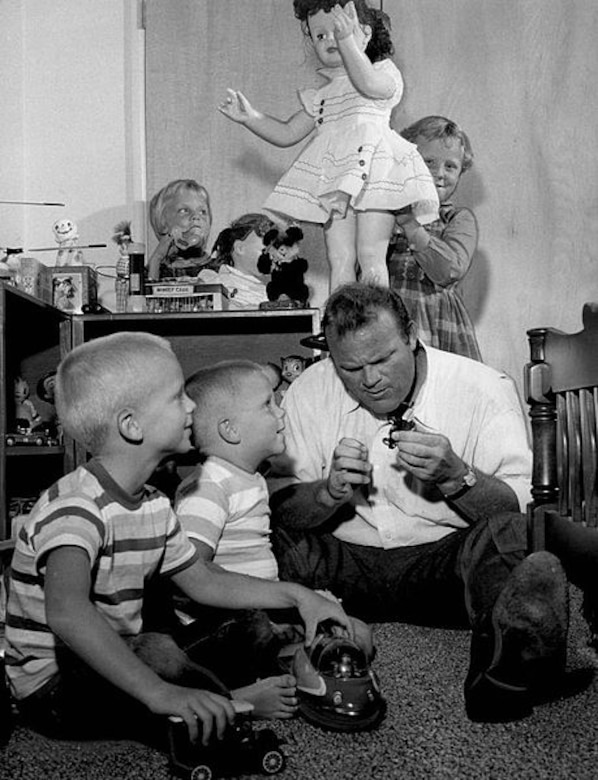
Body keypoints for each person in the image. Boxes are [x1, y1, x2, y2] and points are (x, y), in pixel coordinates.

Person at [267, 282, 598, 723]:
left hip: (444, 573)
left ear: (411, 335)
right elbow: (282, 502)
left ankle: (499, 674)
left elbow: (517, 508)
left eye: (383, 359)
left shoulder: (482, 386)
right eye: (350, 367)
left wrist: (456, 477)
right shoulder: (310, 388)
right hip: (342, 569)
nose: (369, 380)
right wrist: (325, 494)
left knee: (512, 538)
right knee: (263, 525)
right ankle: (260, 644)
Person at [4, 332, 354, 747]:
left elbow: (203, 580)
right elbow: (67, 613)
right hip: (55, 684)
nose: (191, 405)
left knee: (247, 623)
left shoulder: (153, 503)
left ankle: (200, 695)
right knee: (157, 652)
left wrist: (299, 596)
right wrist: (159, 692)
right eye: (176, 398)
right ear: (131, 426)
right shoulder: (76, 507)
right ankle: (223, 702)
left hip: (120, 651)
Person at [174, 359, 374, 719]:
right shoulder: (207, 488)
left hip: (265, 612)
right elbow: (190, 574)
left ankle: (293, 667)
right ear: (231, 430)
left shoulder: (250, 479)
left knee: (356, 633)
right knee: (252, 629)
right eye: (268, 404)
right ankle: (236, 698)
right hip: (223, 625)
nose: (281, 411)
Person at [219, 0, 438, 293]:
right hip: (337, 180)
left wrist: (347, 42)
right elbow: (287, 133)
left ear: (366, 33)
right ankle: (339, 320)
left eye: (338, 29)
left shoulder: (384, 73)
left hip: (375, 173)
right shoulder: (323, 95)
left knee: (371, 254)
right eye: (320, 36)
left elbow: (368, 84)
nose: (330, 39)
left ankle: (375, 320)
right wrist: (252, 118)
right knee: (340, 257)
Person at [387, 116, 482, 361]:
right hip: (389, 321)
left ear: (461, 172)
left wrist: (410, 225)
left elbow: (447, 270)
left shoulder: (458, 219)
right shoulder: (385, 212)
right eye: (428, 162)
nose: (439, 173)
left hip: (437, 324)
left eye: (450, 166)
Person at [198, 213, 275, 309]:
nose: (272, 257)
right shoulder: (215, 282)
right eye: (264, 251)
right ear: (240, 248)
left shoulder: (270, 289)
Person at [147, 179, 214, 280]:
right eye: (184, 211)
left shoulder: (220, 269)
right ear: (164, 223)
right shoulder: (156, 268)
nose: (196, 217)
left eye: (202, 212)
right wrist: (156, 259)